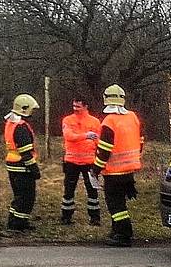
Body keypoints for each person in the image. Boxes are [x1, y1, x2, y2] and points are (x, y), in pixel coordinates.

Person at [90, 84, 143, 247]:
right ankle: (117, 231)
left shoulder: (109, 122)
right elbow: (140, 141)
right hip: (130, 169)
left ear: (106, 99)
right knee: (121, 203)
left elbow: (104, 150)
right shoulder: (133, 117)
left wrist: (95, 170)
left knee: (116, 205)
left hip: (114, 172)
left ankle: (122, 234)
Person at [60, 97, 101, 225]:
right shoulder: (67, 120)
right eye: (74, 106)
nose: (75, 109)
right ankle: (66, 217)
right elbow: (68, 136)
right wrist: (86, 136)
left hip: (89, 161)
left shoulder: (95, 121)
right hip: (71, 160)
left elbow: (98, 140)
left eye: (78, 106)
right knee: (69, 189)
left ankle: (95, 218)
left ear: (86, 106)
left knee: (92, 190)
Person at [4, 94, 41, 231]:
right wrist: (34, 168)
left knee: (19, 197)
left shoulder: (11, 123)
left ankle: (16, 221)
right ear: (25, 109)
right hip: (22, 167)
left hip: (12, 164)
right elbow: (25, 152)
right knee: (26, 197)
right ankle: (18, 225)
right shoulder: (21, 127)